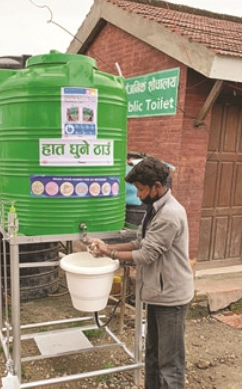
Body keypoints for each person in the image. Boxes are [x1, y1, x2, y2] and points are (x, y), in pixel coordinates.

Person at [88, 155, 193, 389]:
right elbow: (139, 243)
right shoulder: (154, 209)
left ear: (157, 186)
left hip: (171, 297)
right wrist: (107, 248)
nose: (137, 195)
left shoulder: (170, 214)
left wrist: (110, 255)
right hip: (157, 292)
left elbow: (146, 255)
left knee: (170, 363)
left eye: (141, 189)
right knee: (153, 355)